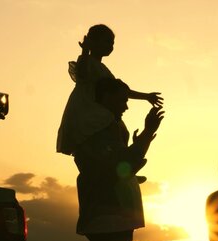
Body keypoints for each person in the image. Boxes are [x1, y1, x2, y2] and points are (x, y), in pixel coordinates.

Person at [74, 77, 164, 241]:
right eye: (122, 100)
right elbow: (118, 166)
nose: (126, 106)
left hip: (105, 215)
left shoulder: (98, 130)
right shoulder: (102, 130)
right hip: (109, 216)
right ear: (105, 98)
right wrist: (146, 135)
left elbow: (116, 166)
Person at [56, 24, 163, 155]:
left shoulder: (103, 69)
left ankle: (124, 165)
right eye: (106, 41)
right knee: (110, 125)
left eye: (112, 43)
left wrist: (146, 96)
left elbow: (122, 91)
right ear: (93, 42)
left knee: (123, 131)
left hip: (99, 107)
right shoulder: (86, 61)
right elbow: (82, 73)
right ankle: (120, 162)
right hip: (85, 107)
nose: (110, 46)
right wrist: (85, 51)